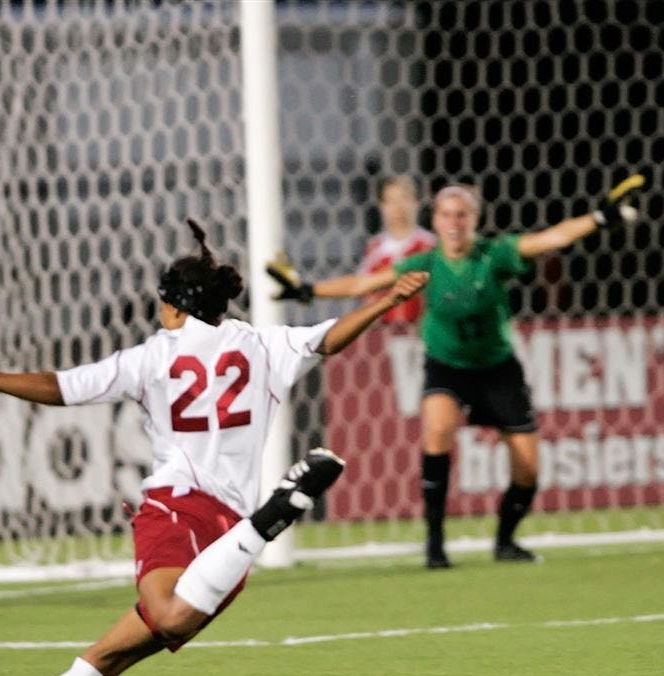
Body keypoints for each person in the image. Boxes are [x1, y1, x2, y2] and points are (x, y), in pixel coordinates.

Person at [0, 219, 428, 676]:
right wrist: (385, 302)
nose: (158, 313)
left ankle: (275, 514)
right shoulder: (264, 343)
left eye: (162, 304)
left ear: (177, 309)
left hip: (178, 508)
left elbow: (63, 387)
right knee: (106, 658)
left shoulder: (153, 356)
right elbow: (329, 337)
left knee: (165, 613)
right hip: (226, 542)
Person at [267, 175, 644, 569]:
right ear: (436, 220)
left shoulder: (494, 254)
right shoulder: (425, 263)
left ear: (474, 219)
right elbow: (366, 282)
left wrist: (599, 218)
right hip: (447, 366)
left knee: (528, 467)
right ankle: (435, 544)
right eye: (446, 214)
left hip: (497, 369)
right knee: (438, 431)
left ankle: (505, 541)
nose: (454, 222)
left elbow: (551, 238)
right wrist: (307, 290)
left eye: (462, 215)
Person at [357, 175, 436, 323]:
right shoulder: (374, 248)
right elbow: (365, 294)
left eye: (404, 199)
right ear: (382, 206)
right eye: (391, 201)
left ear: (416, 203)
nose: (398, 208)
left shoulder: (430, 245)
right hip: (385, 330)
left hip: (422, 329)